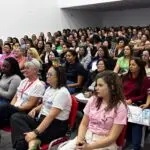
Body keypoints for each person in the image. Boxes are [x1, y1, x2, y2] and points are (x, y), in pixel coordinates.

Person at [59, 71, 127, 150]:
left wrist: (89, 147)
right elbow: (84, 124)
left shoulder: (120, 107)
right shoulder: (93, 99)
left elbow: (112, 138)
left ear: (112, 87)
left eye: (100, 85)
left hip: (104, 143)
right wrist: (80, 141)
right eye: (96, 85)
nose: (96, 88)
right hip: (87, 136)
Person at [10, 66, 72, 150]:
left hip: (55, 127)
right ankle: (33, 141)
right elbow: (45, 104)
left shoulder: (62, 93)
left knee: (22, 141)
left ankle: (30, 141)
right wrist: (35, 109)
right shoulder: (50, 88)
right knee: (16, 117)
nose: (46, 76)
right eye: (47, 74)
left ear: (58, 77)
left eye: (50, 75)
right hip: (42, 120)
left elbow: (50, 116)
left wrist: (35, 133)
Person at [0, 58, 45, 129]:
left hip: (24, 110)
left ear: (35, 70)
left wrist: (13, 108)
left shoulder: (38, 85)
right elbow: (15, 97)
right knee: (5, 108)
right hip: (14, 108)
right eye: (24, 68)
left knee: (4, 107)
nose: (24, 70)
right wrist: (11, 107)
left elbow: (30, 104)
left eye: (27, 68)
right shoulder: (24, 81)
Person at [122, 57, 149, 150]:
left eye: (133, 65)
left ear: (139, 67)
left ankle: (135, 146)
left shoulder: (145, 80)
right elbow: (121, 90)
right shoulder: (125, 76)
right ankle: (123, 142)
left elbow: (143, 95)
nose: (130, 66)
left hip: (136, 105)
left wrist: (131, 100)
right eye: (130, 64)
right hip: (123, 103)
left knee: (136, 123)